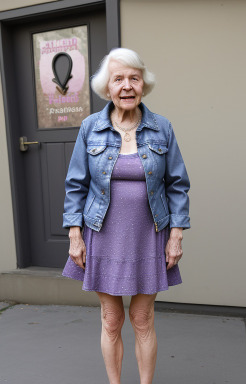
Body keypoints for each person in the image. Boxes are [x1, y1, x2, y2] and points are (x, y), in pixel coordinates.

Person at [62, 47, 190, 384]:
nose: (127, 86)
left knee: (143, 317)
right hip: (102, 233)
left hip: (150, 234)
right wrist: (74, 234)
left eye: (134, 78)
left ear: (143, 85)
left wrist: (176, 234)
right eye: (118, 79)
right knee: (111, 318)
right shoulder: (90, 127)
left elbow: (177, 184)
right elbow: (76, 184)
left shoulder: (162, 128)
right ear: (108, 88)